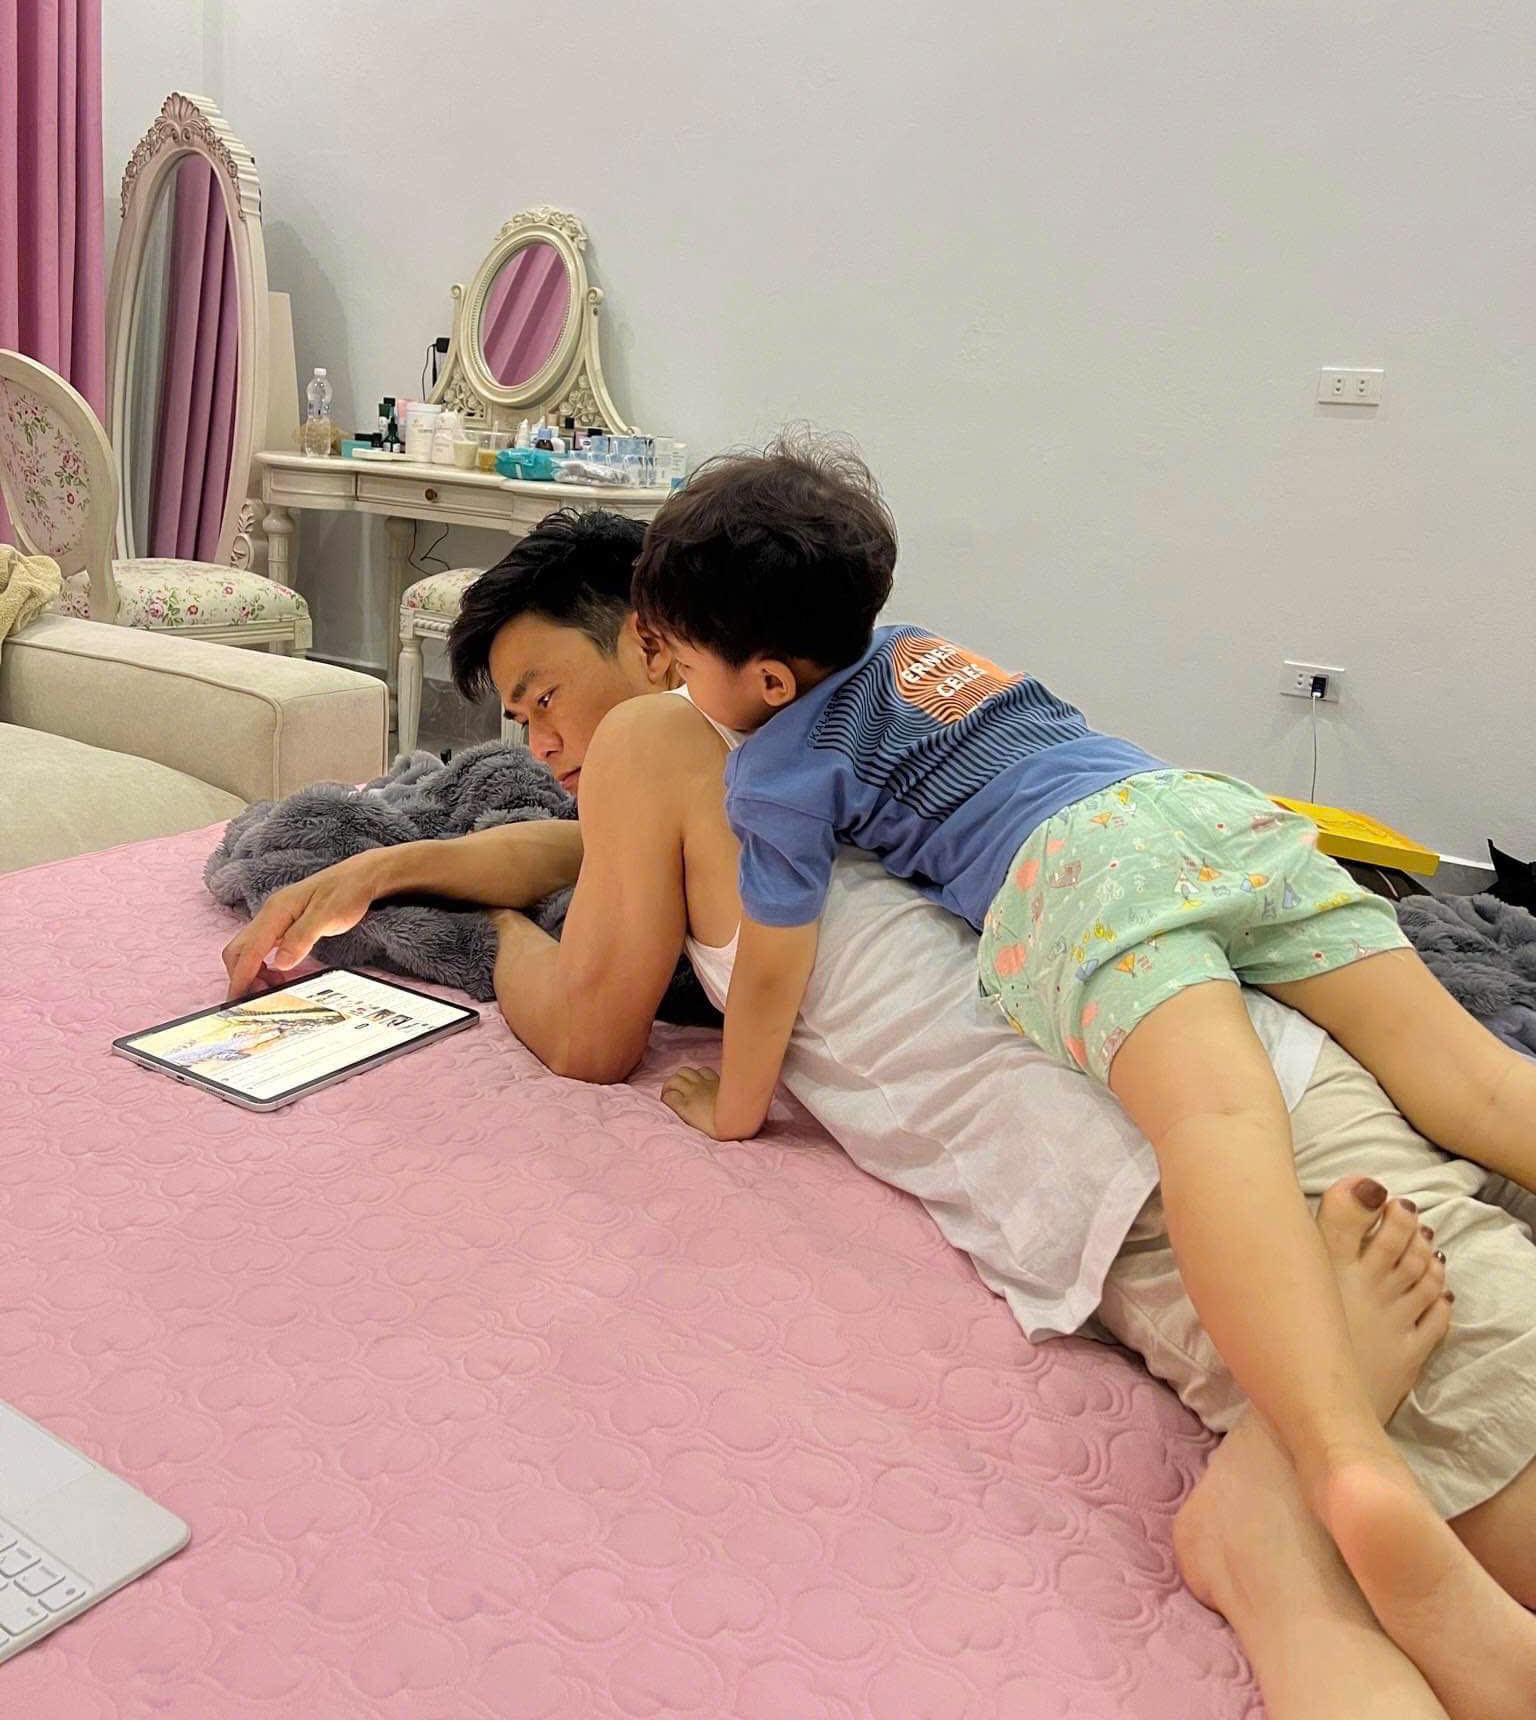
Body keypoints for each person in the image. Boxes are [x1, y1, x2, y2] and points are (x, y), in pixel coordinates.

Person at [218, 507, 1536, 1720]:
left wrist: (493, 933)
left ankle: (1275, 1522)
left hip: (1182, 1172)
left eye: (543, 698)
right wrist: (410, 860)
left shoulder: (662, 742)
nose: (541, 745)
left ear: (651, 636)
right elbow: (585, 848)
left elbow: (583, 1030)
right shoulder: (820, 724)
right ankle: (1273, 1525)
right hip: (1225, 1097)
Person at [627, 436, 1536, 1716]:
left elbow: (774, 967)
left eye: (681, 663)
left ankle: (1342, 1461)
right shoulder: (928, 651)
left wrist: (734, 1108)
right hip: (1204, 813)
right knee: (1479, 1082)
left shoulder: (774, 763)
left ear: (768, 678)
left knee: (1219, 1118)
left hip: (1080, 873)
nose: (672, 686)